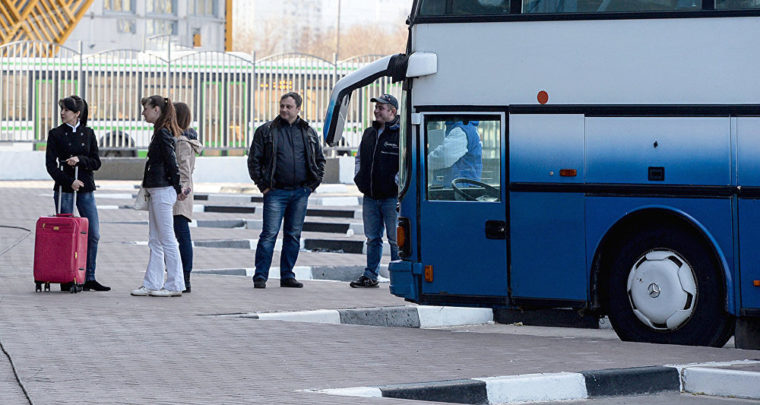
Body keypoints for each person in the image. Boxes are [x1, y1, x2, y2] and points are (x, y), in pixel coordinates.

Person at [247, 92, 326, 289]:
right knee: (269, 234)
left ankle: (287, 275)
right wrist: (263, 186)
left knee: (293, 235)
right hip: (275, 192)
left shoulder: (308, 132)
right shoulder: (266, 131)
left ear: (298, 109)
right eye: (282, 106)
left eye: (288, 107)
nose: (284, 109)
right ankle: (260, 276)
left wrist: (311, 186)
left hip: (300, 192)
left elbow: (319, 160)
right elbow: (254, 161)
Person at [45, 95, 110, 291]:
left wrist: (80, 160)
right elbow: (50, 166)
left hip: (86, 188)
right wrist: (69, 181)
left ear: (77, 113)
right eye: (62, 109)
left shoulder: (88, 133)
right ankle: (66, 276)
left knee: (93, 233)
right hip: (65, 189)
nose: (62, 112)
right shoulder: (55, 134)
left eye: (66, 109)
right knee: (65, 234)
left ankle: (88, 276)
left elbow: (96, 162)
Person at [131, 96, 187, 297]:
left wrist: (177, 186)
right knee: (155, 239)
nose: (143, 113)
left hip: (163, 190)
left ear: (156, 109)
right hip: (157, 189)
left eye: (145, 109)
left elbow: (172, 161)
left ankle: (174, 285)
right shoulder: (159, 132)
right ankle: (152, 283)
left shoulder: (163, 133)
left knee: (167, 239)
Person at [350, 94, 400, 288]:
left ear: (392, 111)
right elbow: (359, 158)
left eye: (381, 107)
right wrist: (359, 179)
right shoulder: (369, 133)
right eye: (376, 107)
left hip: (391, 197)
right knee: (372, 238)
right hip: (370, 196)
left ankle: (398, 277)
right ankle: (371, 275)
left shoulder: (400, 134)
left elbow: (406, 164)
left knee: (395, 240)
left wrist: (396, 185)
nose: (376, 111)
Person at [172, 102, 202, 293]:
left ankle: (185, 277)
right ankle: (183, 276)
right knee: (179, 235)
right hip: (182, 192)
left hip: (179, 195)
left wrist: (182, 190)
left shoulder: (182, 142)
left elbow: (184, 170)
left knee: (181, 235)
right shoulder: (186, 139)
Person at [427, 120, 483, 187]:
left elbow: (445, 157)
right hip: (461, 186)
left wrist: (422, 162)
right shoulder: (468, 128)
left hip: (459, 188)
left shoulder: (461, 130)